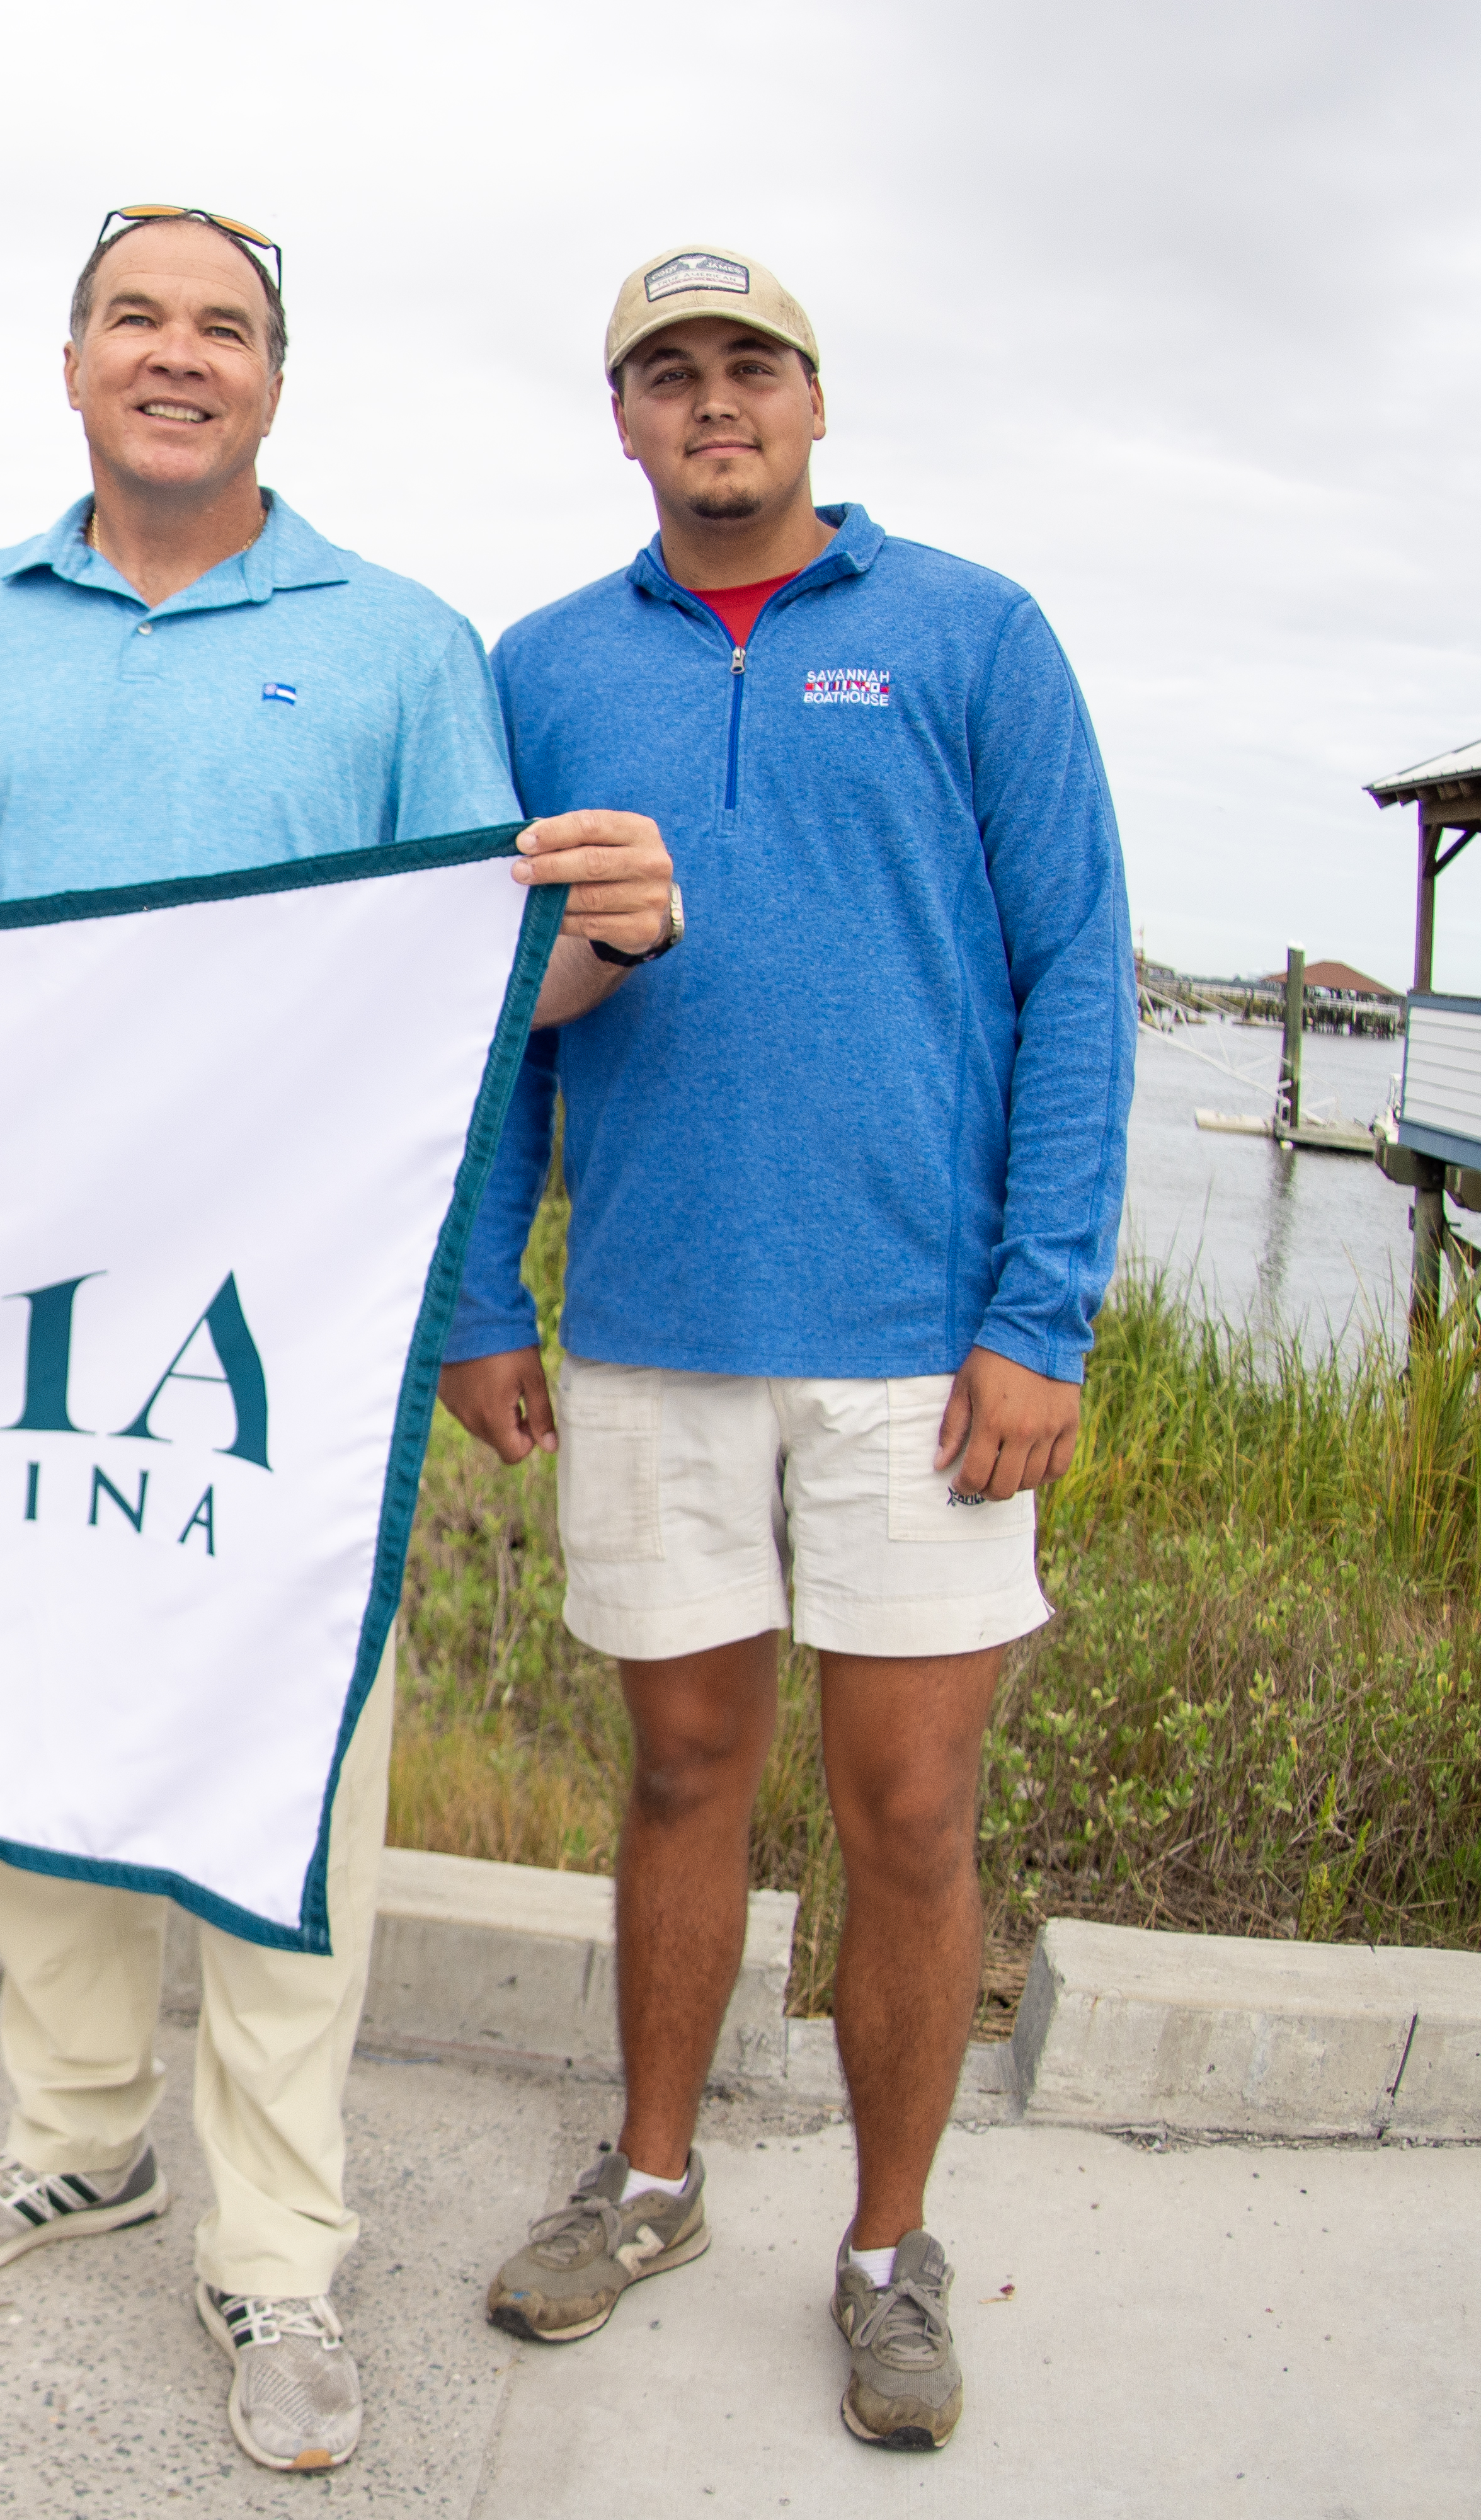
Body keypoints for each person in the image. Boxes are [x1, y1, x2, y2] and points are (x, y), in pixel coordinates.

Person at [0, 207, 678, 2475]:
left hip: (282, 1326)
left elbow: (474, 996)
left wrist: (606, 944)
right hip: (15, 1313)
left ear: (276, 385)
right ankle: (79, 2137)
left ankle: (279, 2255)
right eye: (139, 315)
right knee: (41, 1749)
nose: (178, 355)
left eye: (224, 327)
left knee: (293, 1788)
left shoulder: (408, 645)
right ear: (72, 361)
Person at [442, 248, 1131, 2454]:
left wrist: (1039, 1316)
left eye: (750, 367)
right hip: (651, 1333)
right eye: (668, 373)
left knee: (909, 1815)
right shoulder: (541, 666)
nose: (712, 403)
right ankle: (651, 2184)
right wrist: (479, 1293)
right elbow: (484, 1006)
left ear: (813, 403)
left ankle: (886, 2249)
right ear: (623, 418)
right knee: (677, 1781)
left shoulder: (972, 636)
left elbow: (1078, 983)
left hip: (920, 1364)